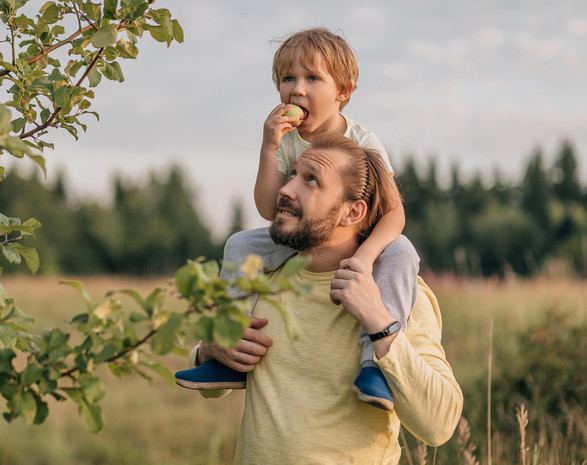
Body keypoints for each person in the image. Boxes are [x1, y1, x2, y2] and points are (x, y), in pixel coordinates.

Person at [181, 133, 463, 464]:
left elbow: (439, 426)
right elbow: (216, 387)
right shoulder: (260, 279)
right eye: (292, 175)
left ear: (352, 212)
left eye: (311, 180)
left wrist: (380, 325)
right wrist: (208, 351)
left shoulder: (396, 295)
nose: (285, 190)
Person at [175, 27, 418, 410]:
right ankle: (231, 346)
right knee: (239, 243)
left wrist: (366, 257)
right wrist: (268, 146)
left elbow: (394, 213)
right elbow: (270, 209)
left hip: (358, 239)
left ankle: (375, 367)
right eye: (288, 79)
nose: (296, 89)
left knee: (402, 253)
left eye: (312, 78)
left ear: (343, 92)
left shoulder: (362, 140)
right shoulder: (286, 139)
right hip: (299, 231)